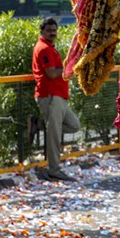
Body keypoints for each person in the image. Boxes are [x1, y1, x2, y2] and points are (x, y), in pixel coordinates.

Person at [32, 17, 80, 182]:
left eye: (54, 30)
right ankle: (54, 170)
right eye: (49, 30)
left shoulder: (50, 48)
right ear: (42, 32)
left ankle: (39, 124)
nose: (52, 33)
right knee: (53, 135)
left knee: (74, 125)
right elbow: (52, 73)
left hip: (58, 96)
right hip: (51, 96)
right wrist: (68, 67)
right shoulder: (44, 49)